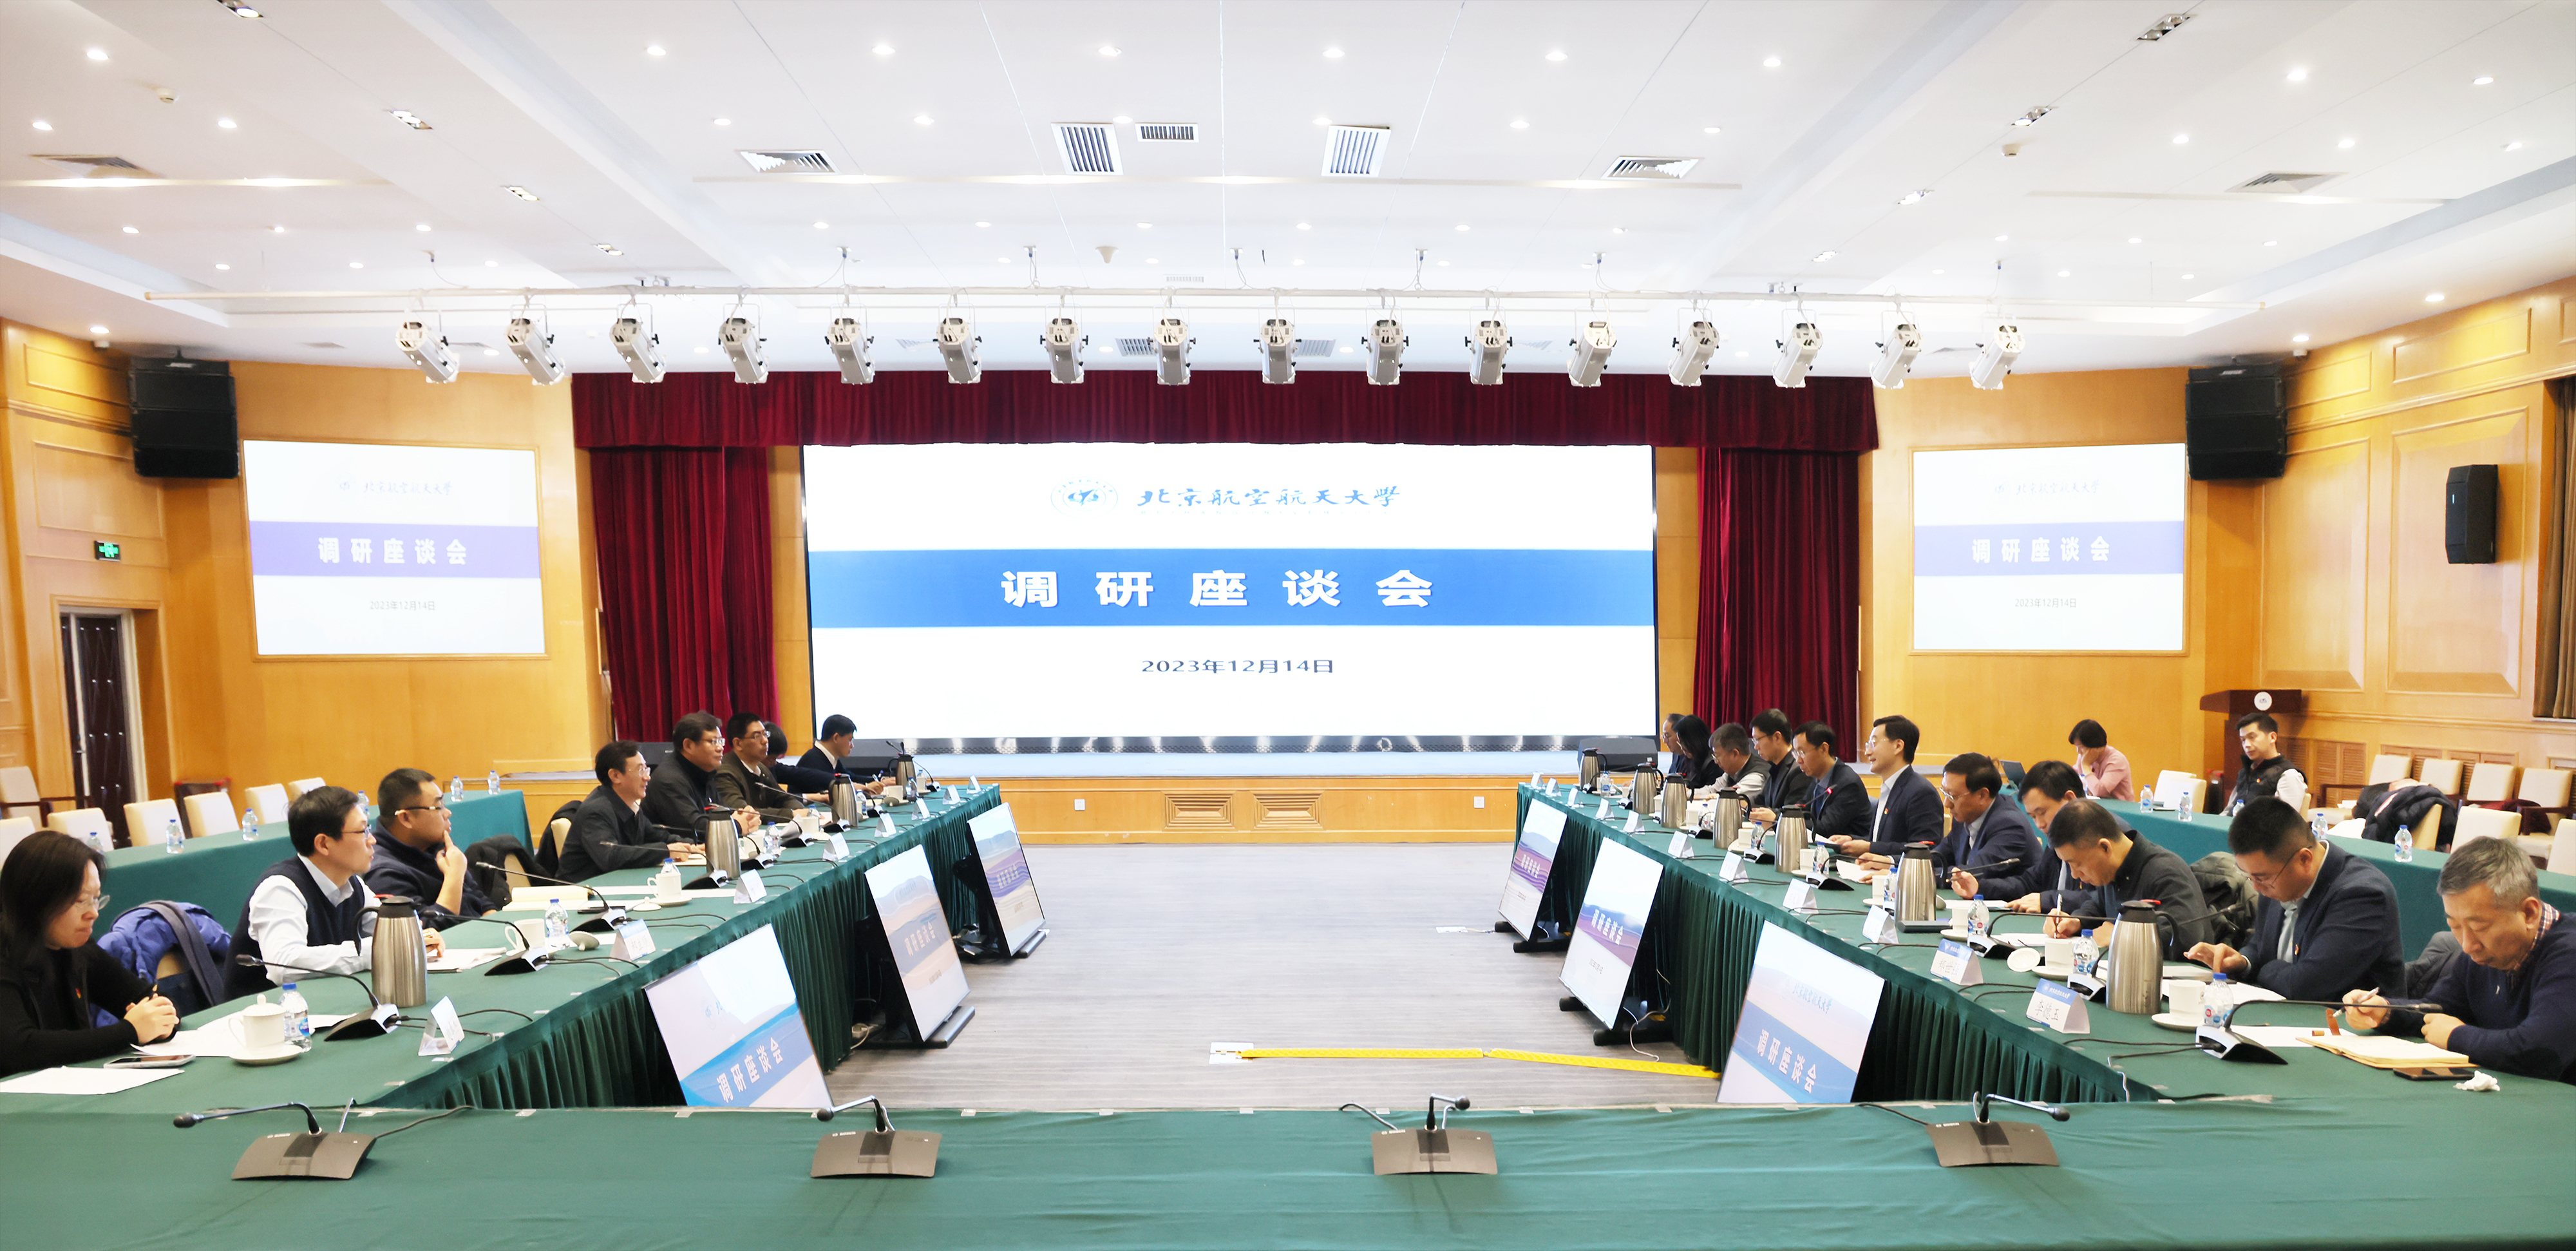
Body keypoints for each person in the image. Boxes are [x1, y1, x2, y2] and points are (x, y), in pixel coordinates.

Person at [2344, 837, 2576, 1082]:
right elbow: (2437, 1011)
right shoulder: (2482, 955)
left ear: (2529, 913)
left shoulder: (2569, 954)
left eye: (2479, 927)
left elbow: (2540, 1051)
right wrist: (2386, 1011)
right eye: (2454, 925)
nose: (2467, 946)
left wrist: (2456, 1036)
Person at [229, 786, 441, 999]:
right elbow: (284, 965)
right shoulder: (280, 888)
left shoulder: (353, 883)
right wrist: (377, 950)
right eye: (362, 831)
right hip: (265, 1012)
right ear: (324, 844)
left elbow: (386, 932)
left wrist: (417, 938)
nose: (373, 840)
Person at [2184, 797, 2402, 1000]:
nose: (2256, 888)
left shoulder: (2363, 895)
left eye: (2262, 878)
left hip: (2344, 1024)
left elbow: (2306, 985)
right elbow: (2260, 946)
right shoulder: (2278, 877)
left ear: (2304, 859)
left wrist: (2265, 968)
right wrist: (2243, 962)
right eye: (2249, 877)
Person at [0, 832, 179, 1077]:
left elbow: (146, 996)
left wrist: (161, 1020)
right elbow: (17, 1049)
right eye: (81, 901)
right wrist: (130, 1031)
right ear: (36, 900)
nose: (93, 913)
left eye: (96, 899)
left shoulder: (79, 949)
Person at [2038, 799, 2210, 957]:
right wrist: (2077, 921)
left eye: (2077, 864)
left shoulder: (2166, 872)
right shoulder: (2110, 870)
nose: (2074, 874)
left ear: (2105, 848)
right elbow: (2098, 905)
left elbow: (2187, 939)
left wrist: (2120, 936)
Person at [363, 769, 492, 930]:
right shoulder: (384, 873)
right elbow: (424, 933)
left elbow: (479, 900)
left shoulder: (434, 844)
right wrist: (454, 877)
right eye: (438, 807)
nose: (448, 813)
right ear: (406, 818)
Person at [558, 741, 703, 883]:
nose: (647, 777)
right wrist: (666, 851)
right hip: (581, 890)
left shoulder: (630, 805)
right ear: (615, 776)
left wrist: (690, 847)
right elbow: (611, 856)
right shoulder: (596, 811)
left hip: (616, 883)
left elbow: (657, 836)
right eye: (640, 771)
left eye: (646, 769)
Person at [642, 711, 761, 843]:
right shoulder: (669, 780)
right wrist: (737, 825)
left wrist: (744, 817)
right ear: (688, 745)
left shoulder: (705, 771)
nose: (720, 748)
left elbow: (720, 813)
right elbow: (694, 828)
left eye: (721, 741)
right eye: (714, 742)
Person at [1918, 752, 2040, 880]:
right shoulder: (1964, 816)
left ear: (1982, 795)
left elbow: (1971, 874)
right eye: (1945, 793)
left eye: (1953, 796)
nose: (1947, 804)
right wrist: (1910, 864)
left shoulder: (2010, 826)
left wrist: (1919, 875)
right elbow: (1938, 857)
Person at [1835, 714, 1940, 858]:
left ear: (1898, 746)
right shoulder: (1890, 787)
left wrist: (1870, 848)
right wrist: (1853, 840)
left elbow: (1924, 848)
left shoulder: (1921, 793)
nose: (1868, 752)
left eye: (1874, 743)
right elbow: (1881, 840)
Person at [712, 713, 820, 824]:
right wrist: (791, 814)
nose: (765, 741)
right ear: (738, 744)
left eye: (765, 734)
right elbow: (743, 813)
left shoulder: (761, 768)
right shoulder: (724, 773)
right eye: (757, 736)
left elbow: (784, 798)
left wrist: (799, 810)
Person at [1786, 721, 1870, 849]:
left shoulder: (1848, 783)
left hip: (1848, 854)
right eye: (1796, 754)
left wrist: (1783, 820)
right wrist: (1782, 814)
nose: (1798, 760)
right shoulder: (1818, 776)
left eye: (1802, 753)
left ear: (1824, 749)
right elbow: (1803, 806)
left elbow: (1825, 829)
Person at [2224, 712, 2308, 814]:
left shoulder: (2289, 775)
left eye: (2252, 737)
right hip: (2235, 824)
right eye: (2243, 740)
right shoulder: (2246, 772)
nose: (2247, 745)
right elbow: (2229, 811)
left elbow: (2284, 819)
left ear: (2272, 737)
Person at [797, 714, 894, 794]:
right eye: (850, 740)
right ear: (836, 738)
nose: (852, 746)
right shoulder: (813, 760)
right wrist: (866, 787)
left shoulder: (830, 757)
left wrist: (881, 781)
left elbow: (851, 778)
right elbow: (828, 792)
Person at [1748, 709, 1806, 825]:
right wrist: (1743, 803)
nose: (1756, 747)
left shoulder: (1799, 769)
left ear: (1777, 737)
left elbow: (1793, 814)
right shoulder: (1775, 766)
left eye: (1758, 740)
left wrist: (1773, 816)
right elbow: (1760, 802)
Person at [1699, 721, 1770, 801]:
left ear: (1735, 754)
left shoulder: (1756, 778)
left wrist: (1713, 797)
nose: (1716, 761)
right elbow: (1712, 790)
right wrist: (1689, 792)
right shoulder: (1732, 771)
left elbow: (1730, 799)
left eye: (1717, 756)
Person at [2069, 720, 2134, 802]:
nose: (2078, 751)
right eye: (2077, 747)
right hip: (2093, 806)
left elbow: (2099, 791)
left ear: (2094, 746)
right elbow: (2072, 780)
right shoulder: (2082, 757)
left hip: (2120, 808)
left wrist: (2086, 766)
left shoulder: (2117, 760)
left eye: (2081, 747)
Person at [1668, 715, 1719, 789]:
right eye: (1680, 743)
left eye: (1684, 743)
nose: (1682, 748)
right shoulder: (1688, 758)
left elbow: (1712, 792)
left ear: (1694, 740)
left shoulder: (1713, 763)